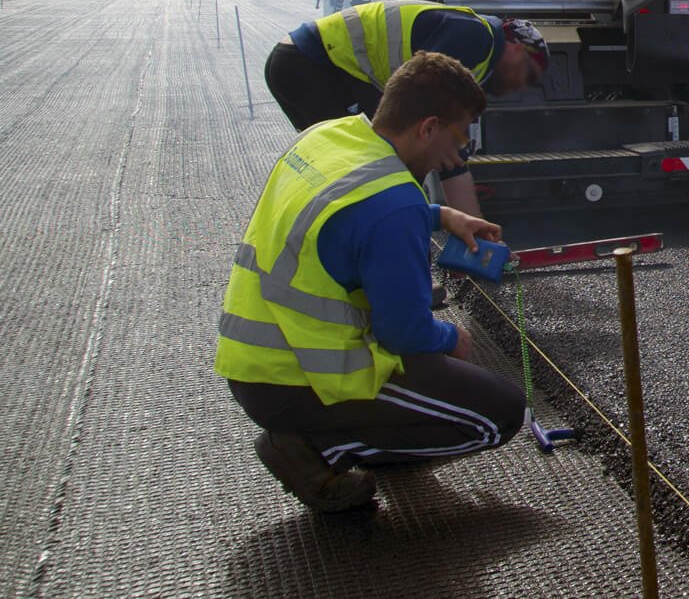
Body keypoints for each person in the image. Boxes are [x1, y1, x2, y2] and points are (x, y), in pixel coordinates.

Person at [217, 52, 525, 512]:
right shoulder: (393, 205)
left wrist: (439, 215)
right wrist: (450, 337)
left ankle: (333, 433)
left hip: (254, 363)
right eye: (458, 138)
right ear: (427, 127)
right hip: (303, 380)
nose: (457, 155)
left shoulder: (328, 137)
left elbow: (351, 219)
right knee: (499, 414)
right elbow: (405, 334)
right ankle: (316, 450)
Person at [263, 1, 548, 218]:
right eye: (528, 74)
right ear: (516, 49)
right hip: (312, 65)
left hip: (303, 63)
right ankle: (394, 268)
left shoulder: (478, 57)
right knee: (372, 170)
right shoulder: (477, 39)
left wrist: (475, 237)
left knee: (360, 170)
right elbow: (422, 108)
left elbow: (449, 155)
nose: (521, 86)